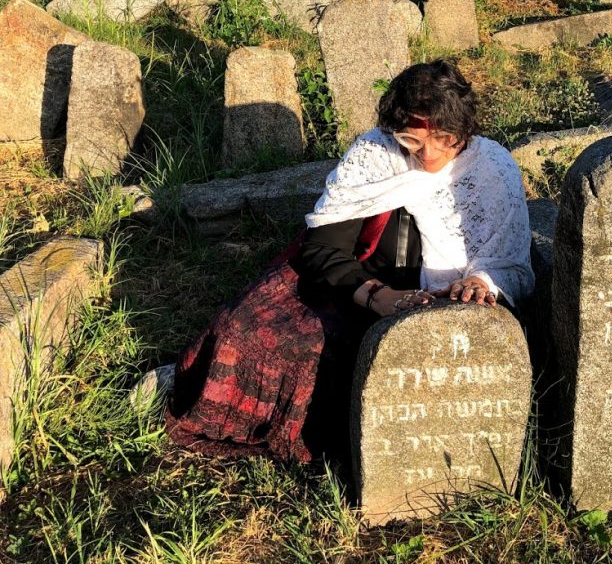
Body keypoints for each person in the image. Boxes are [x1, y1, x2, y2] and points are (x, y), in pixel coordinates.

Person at [165, 60, 534, 463]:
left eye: (445, 138)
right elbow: (323, 248)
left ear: (465, 130)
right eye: (412, 140)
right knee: (240, 330)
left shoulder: (492, 167)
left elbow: (509, 259)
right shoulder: (375, 154)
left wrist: (481, 281)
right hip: (362, 285)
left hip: (449, 302)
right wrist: (376, 295)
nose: (429, 154)